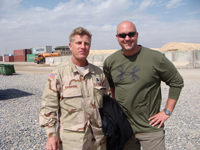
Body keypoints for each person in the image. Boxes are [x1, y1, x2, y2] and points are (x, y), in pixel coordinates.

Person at [103, 21, 184, 150]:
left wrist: (167, 111)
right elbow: (111, 85)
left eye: (131, 34)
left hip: (150, 129)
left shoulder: (155, 58)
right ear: (117, 37)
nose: (127, 38)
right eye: (123, 35)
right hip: (124, 127)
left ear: (137, 35)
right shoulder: (110, 62)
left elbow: (177, 81)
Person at [39, 27, 109, 150]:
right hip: (72, 142)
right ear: (70, 46)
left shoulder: (98, 73)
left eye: (86, 43)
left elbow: (108, 103)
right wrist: (51, 134)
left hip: (98, 141)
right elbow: (48, 107)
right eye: (78, 43)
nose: (83, 46)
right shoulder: (58, 74)